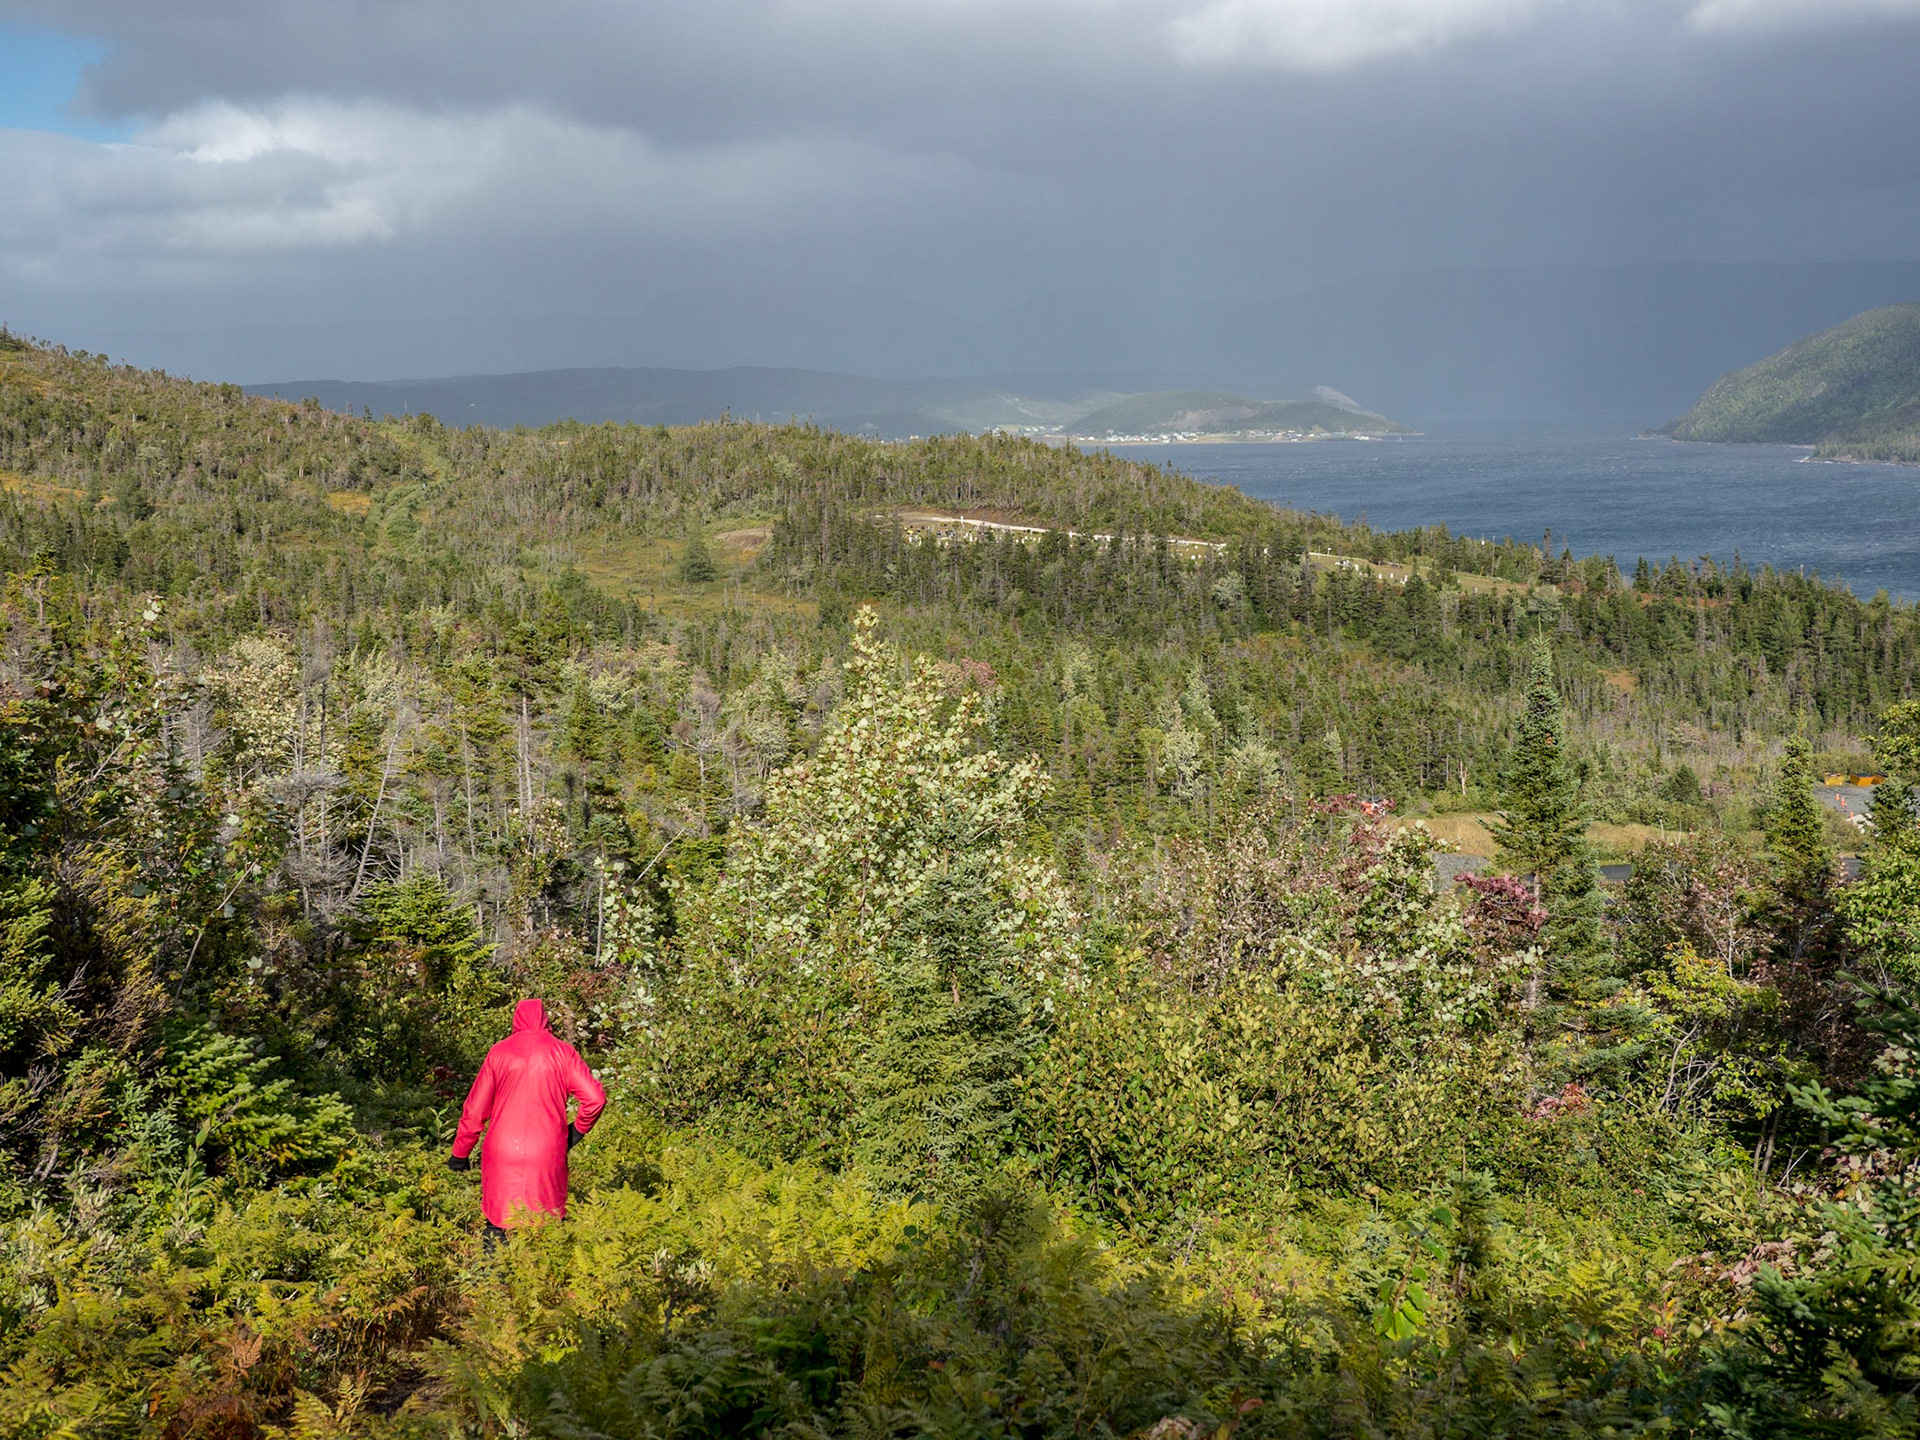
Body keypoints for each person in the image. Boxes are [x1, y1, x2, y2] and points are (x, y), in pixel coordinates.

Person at [447, 998, 606, 1247]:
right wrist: (575, 1132)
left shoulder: (499, 1052)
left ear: (516, 1020)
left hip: (502, 1150)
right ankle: (544, 1278)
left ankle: (493, 1280)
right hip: (546, 1149)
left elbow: (475, 1110)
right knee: (547, 1224)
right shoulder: (564, 1053)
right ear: (546, 1021)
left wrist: (460, 1153)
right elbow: (595, 1099)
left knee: (499, 1225)